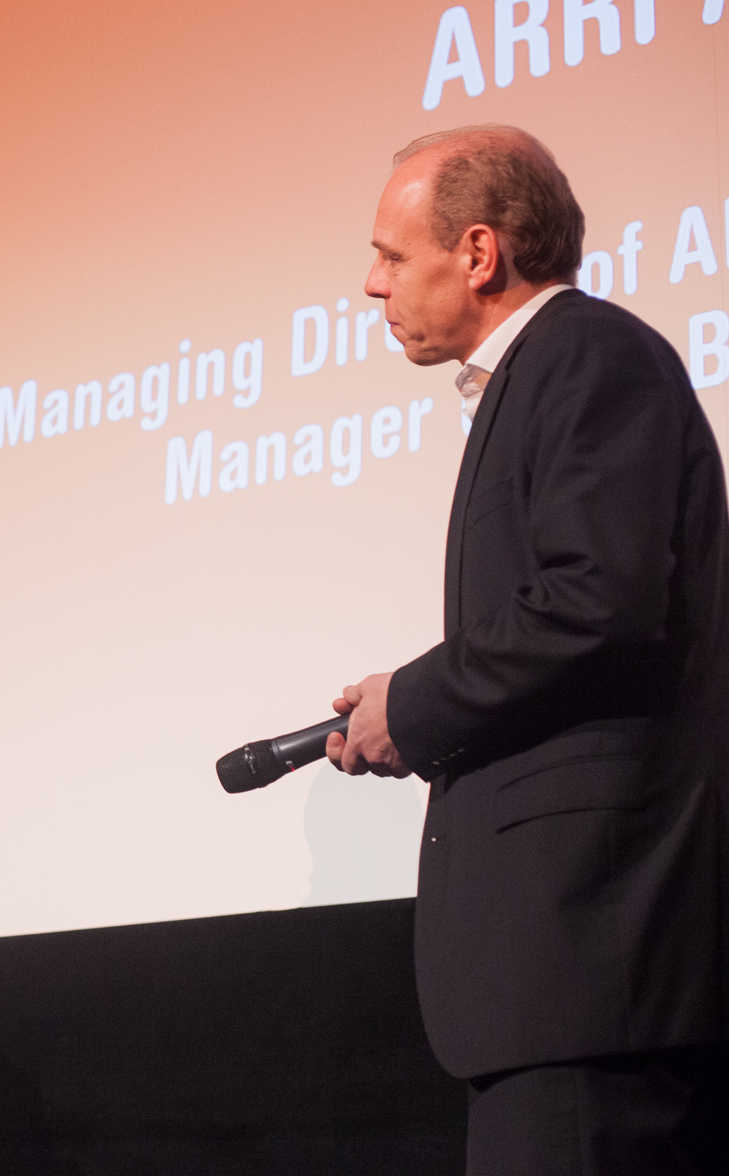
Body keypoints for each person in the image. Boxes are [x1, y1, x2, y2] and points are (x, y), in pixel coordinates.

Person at [328, 125, 729, 1173]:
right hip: (559, 984)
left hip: (593, 964)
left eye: (390, 254)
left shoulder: (587, 354)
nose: (371, 285)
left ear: (477, 252)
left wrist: (414, 704)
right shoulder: (539, 374)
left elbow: (597, 599)